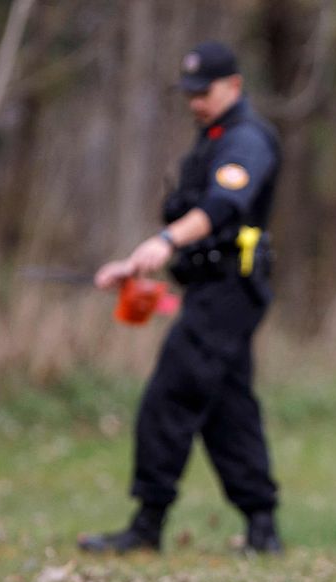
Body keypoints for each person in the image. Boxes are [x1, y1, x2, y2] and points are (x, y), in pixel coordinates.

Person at [79, 41, 282, 555]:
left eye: (204, 91)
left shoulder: (247, 141)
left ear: (233, 86)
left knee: (170, 395)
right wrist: (139, 264)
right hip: (211, 289)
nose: (195, 101)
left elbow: (222, 206)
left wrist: (166, 242)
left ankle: (147, 525)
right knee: (225, 407)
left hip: (229, 294)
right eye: (189, 92)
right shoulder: (213, 138)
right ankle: (263, 527)